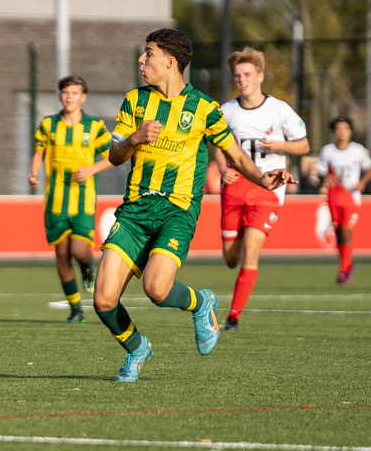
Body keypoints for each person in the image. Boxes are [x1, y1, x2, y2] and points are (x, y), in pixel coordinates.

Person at [96, 29, 295, 382]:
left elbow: (235, 155)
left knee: (157, 289)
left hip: (177, 212)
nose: (141, 61)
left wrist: (264, 179)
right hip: (135, 212)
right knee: (103, 301)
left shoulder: (204, 108)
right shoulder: (134, 101)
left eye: (148, 54)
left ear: (170, 62)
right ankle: (138, 348)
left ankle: (201, 302)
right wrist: (134, 139)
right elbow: (114, 155)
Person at [215, 48, 309, 330]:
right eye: (237, 75)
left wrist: (280, 146)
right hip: (233, 189)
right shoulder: (226, 110)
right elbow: (220, 146)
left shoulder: (279, 109)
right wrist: (222, 169)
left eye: (247, 74)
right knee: (231, 256)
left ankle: (233, 316)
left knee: (251, 251)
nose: (241, 79)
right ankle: (236, 249)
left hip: (267, 188)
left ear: (260, 76)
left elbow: (303, 145)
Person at [28, 75, 113, 323]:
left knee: (79, 249)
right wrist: (34, 171)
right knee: (62, 253)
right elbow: (39, 153)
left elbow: (112, 156)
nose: (69, 97)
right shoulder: (48, 125)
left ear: (82, 97)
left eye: (74, 93)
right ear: (60, 96)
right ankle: (76, 309)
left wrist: (92, 169)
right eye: (65, 92)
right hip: (55, 200)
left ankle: (88, 267)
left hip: (83, 200)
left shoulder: (94, 127)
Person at [316, 117, 371, 284]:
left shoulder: (358, 150)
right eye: (338, 129)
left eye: (345, 129)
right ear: (334, 132)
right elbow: (321, 172)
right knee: (339, 234)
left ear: (351, 132)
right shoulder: (327, 151)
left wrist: (362, 183)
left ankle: (344, 269)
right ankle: (348, 264)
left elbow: (370, 169)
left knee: (347, 232)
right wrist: (325, 178)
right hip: (334, 197)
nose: (341, 132)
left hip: (351, 197)